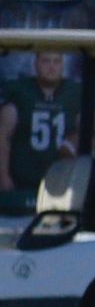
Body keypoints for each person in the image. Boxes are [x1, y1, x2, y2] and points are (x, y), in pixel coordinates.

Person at [3, 43, 81, 207]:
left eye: (56, 61)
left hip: (63, 182)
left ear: (63, 65)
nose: (51, 67)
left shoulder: (75, 92)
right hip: (22, 181)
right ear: (36, 64)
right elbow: (3, 137)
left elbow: (89, 130)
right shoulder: (20, 90)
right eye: (46, 61)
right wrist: (3, 176)